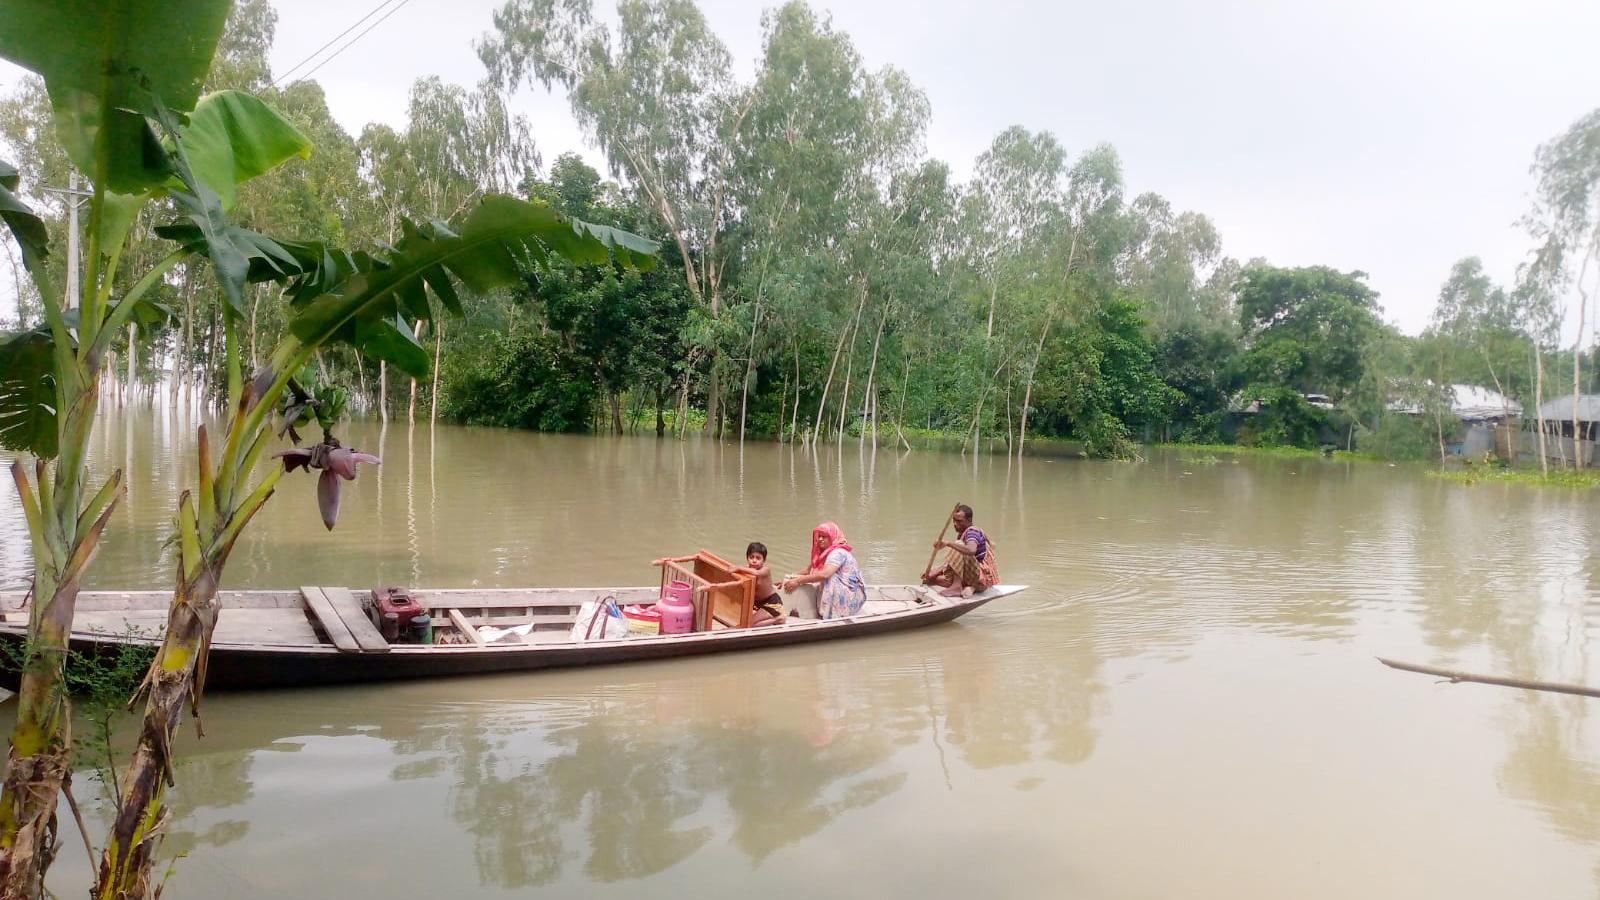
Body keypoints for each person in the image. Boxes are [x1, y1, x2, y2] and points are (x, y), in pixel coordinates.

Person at [781, 522, 867, 619]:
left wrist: (797, 581)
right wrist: (787, 579)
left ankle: (831, 614)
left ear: (832, 537)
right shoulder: (824, 553)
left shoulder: (837, 553)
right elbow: (808, 570)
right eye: (819, 536)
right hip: (845, 595)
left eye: (824, 537)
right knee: (814, 576)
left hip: (851, 599)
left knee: (828, 578)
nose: (820, 539)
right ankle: (823, 609)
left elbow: (825, 574)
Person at [922, 504, 999, 598]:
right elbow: (956, 562)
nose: (955, 524)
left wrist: (948, 543)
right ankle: (962, 585)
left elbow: (971, 550)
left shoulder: (972, 532)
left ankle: (956, 586)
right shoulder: (964, 532)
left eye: (959, 521)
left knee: (959, 544)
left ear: (969, 520)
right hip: (975, 577)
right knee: (931, 577)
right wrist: (935, 573)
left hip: (981, 579)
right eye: (954, 521)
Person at [734, 542, 786, 627]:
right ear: (747, 558)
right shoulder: (747, 569)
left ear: (764, 560)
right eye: (751, 557)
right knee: (745, 622)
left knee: (748, 624)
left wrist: (739, 568)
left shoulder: (765, 570)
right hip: (757, 604)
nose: (754, 560)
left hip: (771, 603)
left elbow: (757, 573)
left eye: (758, 558)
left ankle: (778, 618)